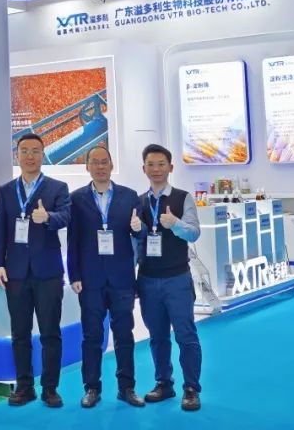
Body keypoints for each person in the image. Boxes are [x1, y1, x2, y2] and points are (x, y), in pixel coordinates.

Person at [0, 132, 71, 408]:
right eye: (24, 151)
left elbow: (66, 216)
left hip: (48, 272)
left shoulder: (57, 187)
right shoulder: (6, 190)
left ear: (42, 154)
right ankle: (24, 386)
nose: (29, 156)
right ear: (17, 155)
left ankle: (50, 388)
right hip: (15, 273)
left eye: (35, 151)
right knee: (20, 333)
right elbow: (0, 230)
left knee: (50, 332)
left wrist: (48, 217)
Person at [67, 145, 146, 409]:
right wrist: (74, 274)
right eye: (95, 162)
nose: (100, 166)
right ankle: (91, 387)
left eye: (104, 162)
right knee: (91, 336)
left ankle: (127, 387)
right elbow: (73, 240)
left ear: (112, 165)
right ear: (87, 167)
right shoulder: (76, 199)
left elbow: (140, 234)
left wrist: (139, 228)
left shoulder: (129, 196)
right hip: (90, 280)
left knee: (124, 334)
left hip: (122, 278)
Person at [135, 144, 203, 411]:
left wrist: (175, 223)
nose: (156, 169)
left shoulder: (183, 198)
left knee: (186, 335)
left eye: (161, 164)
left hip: (177, 279)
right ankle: (164, 383)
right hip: (148, 279)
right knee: (157, 336)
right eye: (151, 165)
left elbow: (194, 233)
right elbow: (136, 244)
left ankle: (191, 388)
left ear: (170, 167)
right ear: (144, 169)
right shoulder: (139, 202)